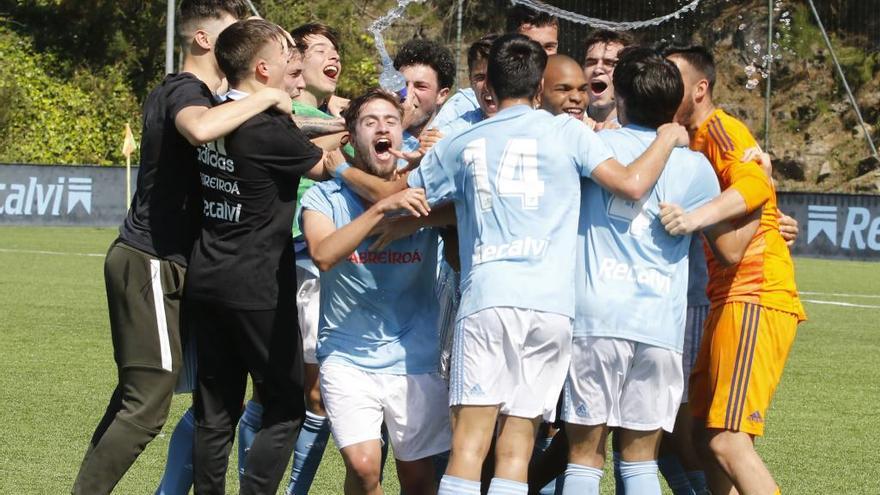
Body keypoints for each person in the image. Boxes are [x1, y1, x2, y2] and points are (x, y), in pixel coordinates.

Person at [405, 34, 689, 495]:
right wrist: (667, 137)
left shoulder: (462, 142)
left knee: (469, 446)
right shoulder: (567, 132)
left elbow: (406, 196)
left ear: (488, 89)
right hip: (552, 309)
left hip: (488, 301)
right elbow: (633, 185)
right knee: (517, 449)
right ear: (540, 88)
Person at [71, 2, 297, 493]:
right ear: (202, 39)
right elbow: (198, 128)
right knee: (147, 405)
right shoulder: (183, 91)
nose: (240, 38)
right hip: (150, 259)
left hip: (176, 267)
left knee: (136, 399)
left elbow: (257, 129)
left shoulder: (213, 99)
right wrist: (268, 97)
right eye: (229, 29)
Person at [561, 46, 757, 495]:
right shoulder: (695, 166)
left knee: (584, 457)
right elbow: (727, 250)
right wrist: (760, 202)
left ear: (621, 98)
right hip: (660, 328)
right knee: (640, 459)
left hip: (596, 320)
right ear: (675, 106)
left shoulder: (595, 146)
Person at [184, 19, 338, 494]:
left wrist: (336, 121)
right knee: (286, 405)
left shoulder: (216, 112)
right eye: (286, 55)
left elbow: (301, 131)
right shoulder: (266, 128)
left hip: (207, 278)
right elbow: (327, 166)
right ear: (264, 68)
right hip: (256, 286)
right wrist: (379, 129)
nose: (294, 63)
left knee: (215, 412)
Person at [661, 44, 807, 495]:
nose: (666, 88)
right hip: (725, 298)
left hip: (755, 293)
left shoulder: (721, 131)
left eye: (675, 79)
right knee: (705, 439)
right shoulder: (688, 139)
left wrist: (693, 218)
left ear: (700, 89)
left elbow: (755, 182)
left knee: (726, 441)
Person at [300, 89, 454, 495]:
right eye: (370, 122)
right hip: (347, 356)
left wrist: (418, 218)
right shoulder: (324, 196)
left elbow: (463, 209)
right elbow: (324, 255)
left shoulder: (425, 191)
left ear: (403, 135)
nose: (383, 127)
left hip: (414, 359)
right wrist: (380, 211)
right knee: (365, 467)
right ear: (350, 139)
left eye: (391, 120)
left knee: (419, 480)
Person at [394, 39, 455, 148]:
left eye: (420, 86)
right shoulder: (372, 137)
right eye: (402, 84)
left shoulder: (451, 142)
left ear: (441, 95)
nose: (408, 94)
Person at [581, 29, 635, 130]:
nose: (598, 70)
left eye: (609, 63)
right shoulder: (569, 125)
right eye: (591, 62)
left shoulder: (638, 130)